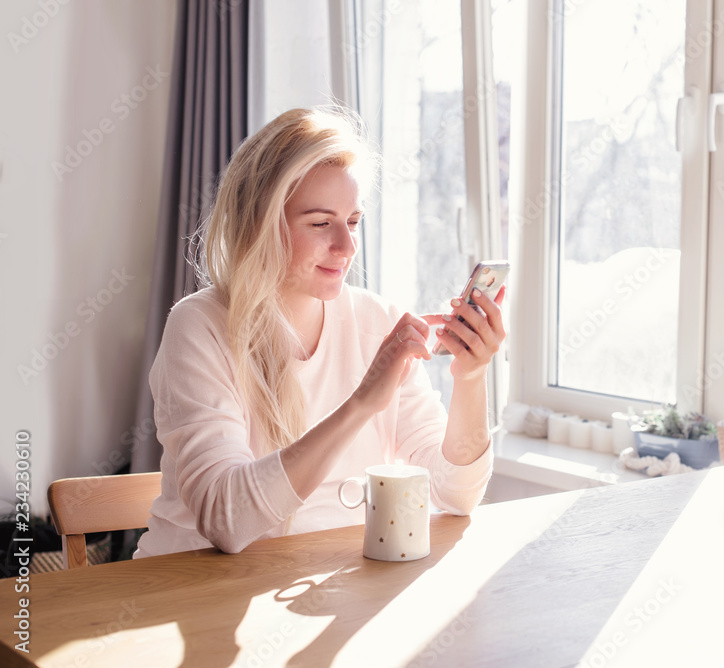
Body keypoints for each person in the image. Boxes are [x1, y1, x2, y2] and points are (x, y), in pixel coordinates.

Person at [134, 107, 505, 557]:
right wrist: (362, 402)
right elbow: (227, 521)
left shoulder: (377, 322)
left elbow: (455, 494)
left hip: (319, 590)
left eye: (352, 221)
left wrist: (470, 378)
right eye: (320, 223)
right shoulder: (199, 327)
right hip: (191, 594)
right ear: (260, 223)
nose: (347, 247)